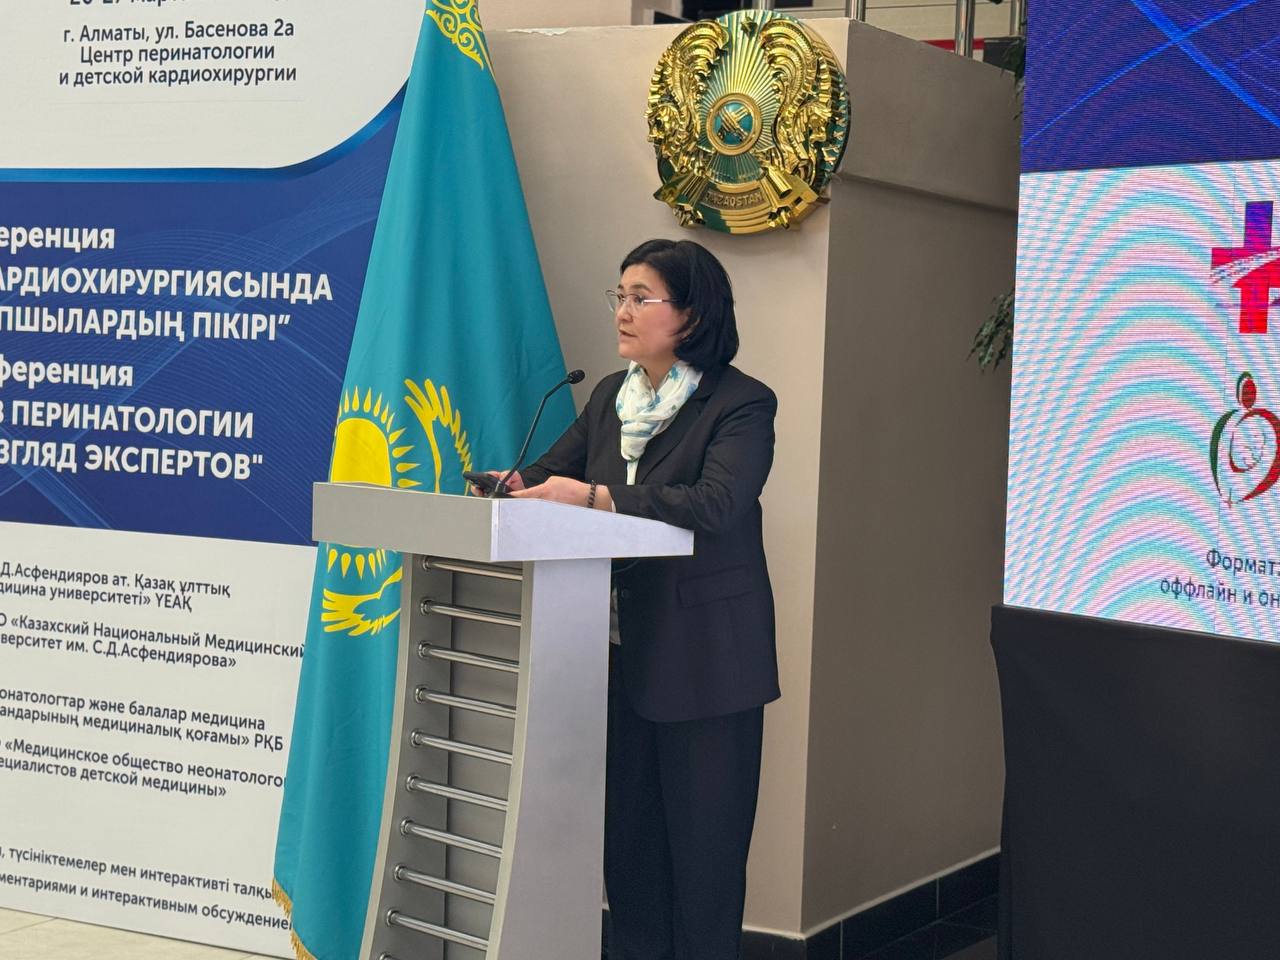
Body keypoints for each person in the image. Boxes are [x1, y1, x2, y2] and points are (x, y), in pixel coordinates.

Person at [476, 238, 779, 960]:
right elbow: (550, 471)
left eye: (642, 297)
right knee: (631, 855)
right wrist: (510, 485)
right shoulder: (611, 396)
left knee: (705, 863)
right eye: (620, 295)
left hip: (707, 664)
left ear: (693, 313)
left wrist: (598, 497)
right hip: (616, 656)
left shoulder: (740, 403)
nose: (623, 311)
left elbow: (716, 503)